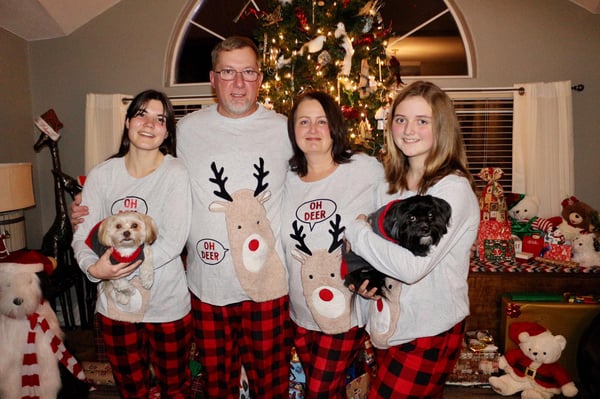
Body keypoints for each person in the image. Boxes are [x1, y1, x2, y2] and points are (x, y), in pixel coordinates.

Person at [71, 36, 291, 398]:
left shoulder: (286, 129)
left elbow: (316, 180)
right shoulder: (185, 131)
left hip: (267, 287)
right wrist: (83, 206)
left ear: (261, 77)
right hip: (207, 288)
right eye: (228, 72)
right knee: (216, 386)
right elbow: (142, 171)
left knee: (272, 386)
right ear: (213, 78)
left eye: (248, 72)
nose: (238, 82)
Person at [345, 80, 480, 398]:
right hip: (388, 324)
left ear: (442, 128)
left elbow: (410, 267)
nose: (408, 130)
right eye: (400, 119)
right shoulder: (388, 186)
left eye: (422, 121)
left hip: (428, 328)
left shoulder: (451, 190)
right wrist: (365, 284)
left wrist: (356, 230)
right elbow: (376, 254)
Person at [71, 89, 192, 398]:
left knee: (175, 388)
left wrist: (124, 268)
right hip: (116, 307)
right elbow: (83, 234)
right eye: (141, 114)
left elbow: (174, 241)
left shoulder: (176, 173)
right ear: (127, 122)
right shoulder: (102, 175)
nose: (150, 123)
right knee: (131, 389)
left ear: (166, 131)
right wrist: (94, 268)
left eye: (160, 118)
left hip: (167, 304)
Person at [281, 90, 384, 397]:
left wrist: (378, 273)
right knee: (324, 386)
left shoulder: (364, 169)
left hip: (345, 310)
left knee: (319, 391)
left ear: (335, 126)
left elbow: (392, 221)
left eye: (321, 121)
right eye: (304, 122)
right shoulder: (286, 178)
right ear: (293, 129)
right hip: (300, 312)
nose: (312, 130)